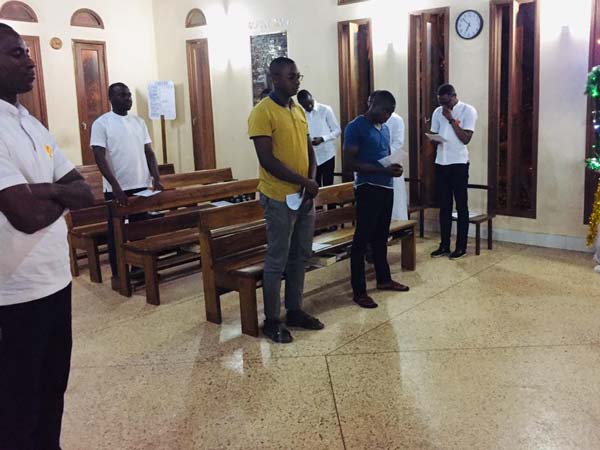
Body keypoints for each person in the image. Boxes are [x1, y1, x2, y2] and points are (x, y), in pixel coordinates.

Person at [0, 24, 94, 450]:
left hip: (56, 282)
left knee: (52, 391)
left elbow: (84, 191)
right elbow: (25, 216)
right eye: (16, 54)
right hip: (14, 294)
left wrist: (44, 190)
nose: (30, 60)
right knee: (17, 406)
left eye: (26, 51)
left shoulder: (30, 123)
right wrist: (57, 193)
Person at [248, 57, 324, 343]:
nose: (297, 81)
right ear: (275, 78)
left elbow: (309, 150)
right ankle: (271, 320)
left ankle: (294, 310)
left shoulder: (298, 109)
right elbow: (267, 160)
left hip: (303, 196)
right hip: (278, 196)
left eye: (298, 76)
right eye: (292, 77)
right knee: (277, 259)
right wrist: (304, 182)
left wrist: (311, 181)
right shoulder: (262, 112)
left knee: (301, 254)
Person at [91, 82, 163, 287]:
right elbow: (99, 156)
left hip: (141, 185)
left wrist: (156, 178)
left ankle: (139, 269)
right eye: (122, 95)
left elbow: (149, 152)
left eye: (129, 95)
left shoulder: (138, 122)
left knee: (140, 230)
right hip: (117, 188)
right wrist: (115, 186)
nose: (128, 99)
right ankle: (118, 275)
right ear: (110, 98)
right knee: (117, 233)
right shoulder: (102, 123)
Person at [343, 90, 410, 309]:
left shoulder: (386, 129)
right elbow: (350, 163)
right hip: (367, 188)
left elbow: (384, 157)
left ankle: (384, 279)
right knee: (361, 241)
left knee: (381, 237)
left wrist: (394, 168)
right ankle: (359, 291)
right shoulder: (356, 127)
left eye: (391, 112)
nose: (388, 116)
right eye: (385, 111)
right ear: (373, 105)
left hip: (386, 187)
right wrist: (382, 171)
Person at [429, 84, 478, 260]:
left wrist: (450, 119)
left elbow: (465, 139)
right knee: (444, 206)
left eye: (445, 102)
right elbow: (434, 134)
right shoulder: (437, 112)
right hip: (441, 162)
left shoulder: (468, 110)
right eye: (440, 102)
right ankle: (444, 245)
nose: (443, 106)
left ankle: (461, 247)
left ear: (453, 96)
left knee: (461, 206)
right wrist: (433, 139)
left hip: (459, 164)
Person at [297, 90, 341, 187]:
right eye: (305, 106)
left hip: (327, 154)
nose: (309, 107)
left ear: (312, 98)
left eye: (310, 104)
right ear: (301, 104)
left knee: (328, 184)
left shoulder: (325, 109)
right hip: (311, 156)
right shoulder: (301, 114)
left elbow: (337, 130)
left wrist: (323, 139)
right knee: (315, 185)